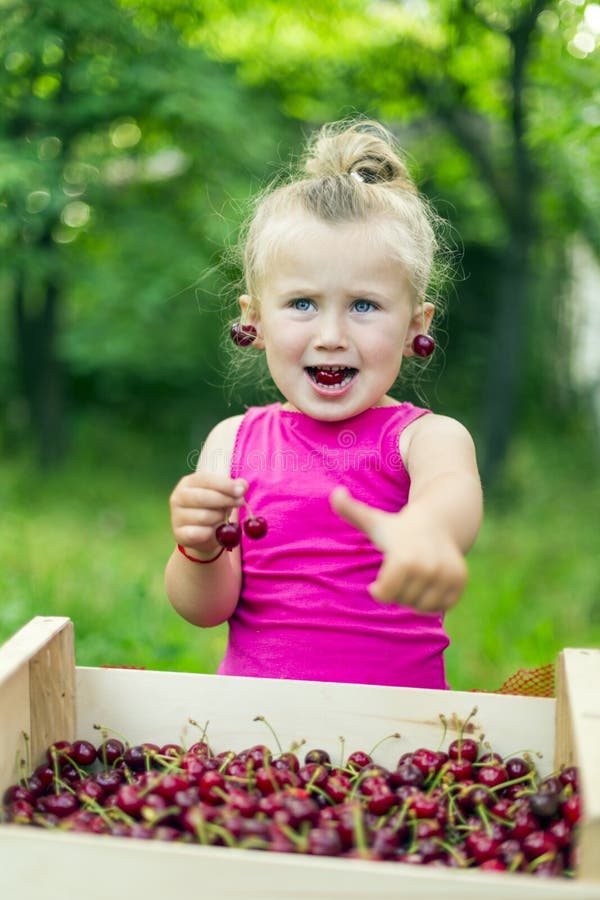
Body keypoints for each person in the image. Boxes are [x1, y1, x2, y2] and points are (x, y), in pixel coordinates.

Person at [165, 119, 483, 690]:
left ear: (416, 325)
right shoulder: (231, 443)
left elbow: (452, 493)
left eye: (363, 305)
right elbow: (204, 610)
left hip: (394, 748)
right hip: (256, 741)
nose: (331, 334)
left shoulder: (425, 439)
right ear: (254, 320)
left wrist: (425, 531)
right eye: (303, 303)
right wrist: (198, 546)